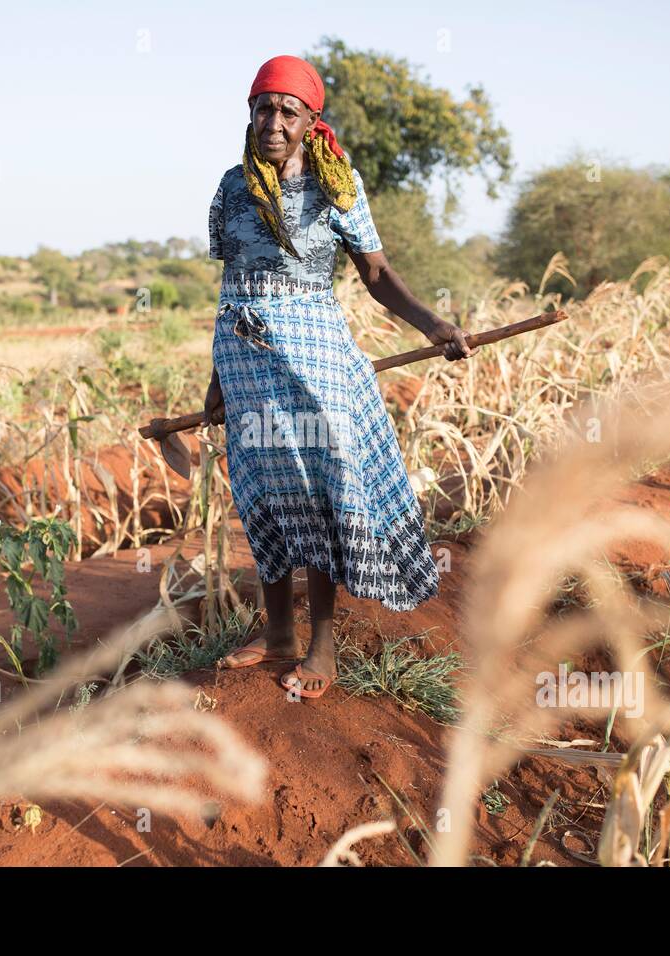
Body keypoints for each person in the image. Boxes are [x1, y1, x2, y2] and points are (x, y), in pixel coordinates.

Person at [204, 54, 477, 699]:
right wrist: (216, 378)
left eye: (286, 111)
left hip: (315, 354)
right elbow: (229, 283)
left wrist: (433, 325)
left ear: (310, 121)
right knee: (262, 488)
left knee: (318, 489)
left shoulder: (337, 185)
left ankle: (321, 643)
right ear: (250, 115)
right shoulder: (231, 188)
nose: (272, 121)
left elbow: (376, 276)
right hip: (244, 357)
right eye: (262, 109)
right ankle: (276, 634)